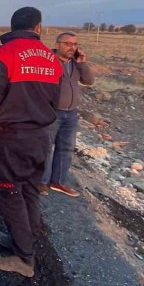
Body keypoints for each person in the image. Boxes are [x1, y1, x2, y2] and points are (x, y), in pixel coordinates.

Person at [0, 7, 62, 277]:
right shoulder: (52, 59)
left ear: (13, 27)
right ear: (37, 27)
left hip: (13, 138)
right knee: (30, 190)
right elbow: (56, 99)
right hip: (41, 136)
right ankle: (25, 240)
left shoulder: (3, 55)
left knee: (9, 193)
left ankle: (23, 257)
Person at [41, 31, 94, 197]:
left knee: (66, 148)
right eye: (68, 44)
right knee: (46, 148)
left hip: (71, 113)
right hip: (52, 112)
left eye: (75, 44)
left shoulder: (75, 63)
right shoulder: (48, 60)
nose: (72, 47)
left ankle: (58, 182)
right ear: (57, 45)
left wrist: (82, 64)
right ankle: (42, 182)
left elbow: (88, 81)